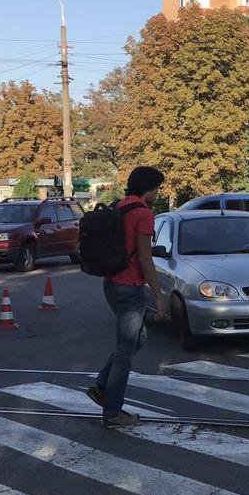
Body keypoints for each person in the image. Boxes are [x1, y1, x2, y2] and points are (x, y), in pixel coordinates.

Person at [87, 166, 168, 428]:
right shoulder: (144, 214)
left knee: (138, 338)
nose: (158, 193)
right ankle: (112, 413)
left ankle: (101, 385)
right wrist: (158, 295)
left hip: (110, 283)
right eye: (157, 189)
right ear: (149, 189)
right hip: (129, 286)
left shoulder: (119, 206)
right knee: (125, 352)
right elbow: (145, 258)